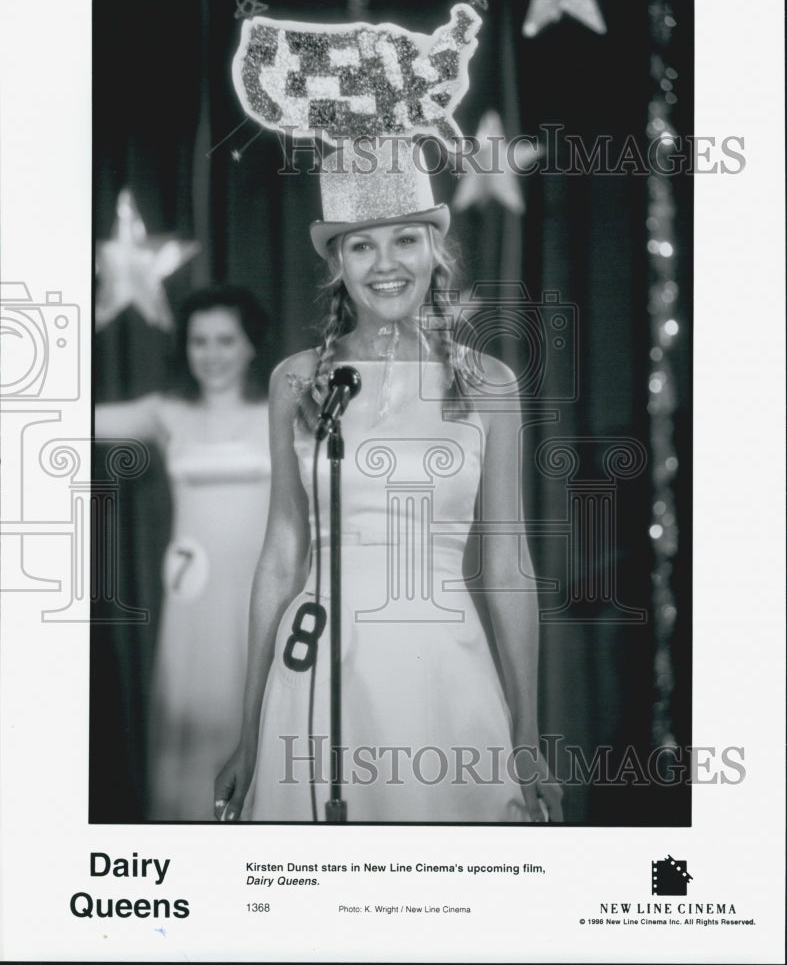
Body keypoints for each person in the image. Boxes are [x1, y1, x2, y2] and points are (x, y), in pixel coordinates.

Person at [215, 141, 563, 823]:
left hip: (440, 666)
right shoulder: (295, 380)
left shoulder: (489, 384)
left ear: (436, 248)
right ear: (336, 264)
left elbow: (507, 567)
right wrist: (249, 729)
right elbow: (281, 554)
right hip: (314, 667)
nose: (385, 264)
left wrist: (527, 735)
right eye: (360, 246)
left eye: (404, 239)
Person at [95, 285, 272, 820]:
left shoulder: (285, 410)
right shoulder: (165, 413)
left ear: (250, 347)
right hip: (193, 601)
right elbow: (64, 412)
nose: (211, 354)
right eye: (199, 342)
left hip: (260, 594)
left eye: (225, 340)